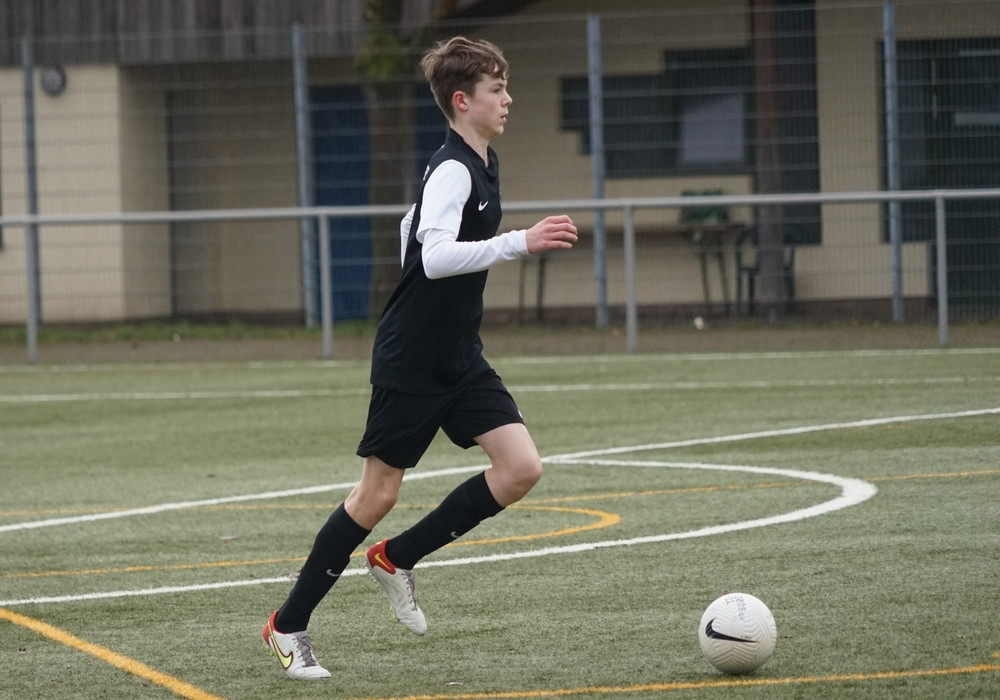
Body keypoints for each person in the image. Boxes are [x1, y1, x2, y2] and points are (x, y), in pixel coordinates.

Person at [262, 36, 578, 680]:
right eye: (496, 90)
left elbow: (414, 227)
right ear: (462, 101)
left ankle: (397, 558)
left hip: (459, 355)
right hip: (412, 359)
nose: (508, 99)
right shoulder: (455, 167)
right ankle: (286, 626)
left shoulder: (479, 161)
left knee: (520, 467)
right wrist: (520, 241)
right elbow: (434, 257)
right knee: (376, 493)